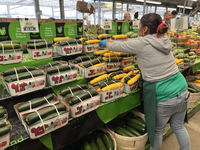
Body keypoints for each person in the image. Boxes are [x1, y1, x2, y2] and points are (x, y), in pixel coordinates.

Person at [106, 13, 190, 150]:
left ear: (145, 29)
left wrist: (106, 43)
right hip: (182, 90)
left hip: (165, 97)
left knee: (157, 131)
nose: (137, 28)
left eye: (139, 26)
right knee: (178, 126)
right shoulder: (164, 39)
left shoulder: (142, 42)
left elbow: (118, 46)